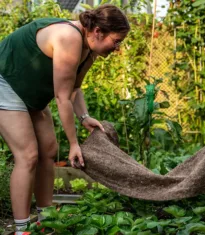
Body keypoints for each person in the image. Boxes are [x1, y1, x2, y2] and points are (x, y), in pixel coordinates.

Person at [0, 4, 130, 234]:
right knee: (28, 154)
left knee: (48, 150)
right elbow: (62, 99)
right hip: (6, 82)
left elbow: (74, 90)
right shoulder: (69, 37)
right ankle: (21, 229)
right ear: (98, 31)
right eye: (116, 41)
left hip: (30, 93)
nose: (118, 48)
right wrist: (74, 144)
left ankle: (45, 218)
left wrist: (84, 117)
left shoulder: (89, 49)